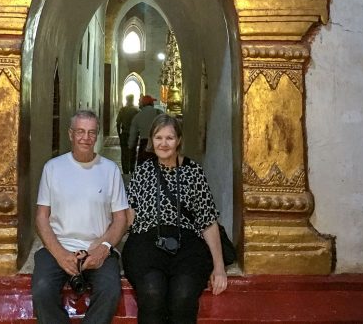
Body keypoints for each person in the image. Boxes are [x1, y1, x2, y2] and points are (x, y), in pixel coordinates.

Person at [122, 114, 228, 323]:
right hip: (146, 245)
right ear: (151, 141)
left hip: (186, 246)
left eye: (169, 138)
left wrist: (219, 267)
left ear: (178, 140)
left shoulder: (194, 172)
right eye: (158, 137)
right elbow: (128, 217)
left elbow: (208, 221)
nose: (163, 143)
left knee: (184, 295)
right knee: (152, 292)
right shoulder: (142, 172)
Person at [32, 109, 129, 324]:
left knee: (110, 291)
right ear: (70, 134)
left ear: (97, 135)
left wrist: (103, 248)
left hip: (97, 248)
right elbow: (41, 217)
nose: (86, 138)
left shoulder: (110, 170)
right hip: (58, 246)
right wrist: (59, 253)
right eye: (80, 132)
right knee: (42, 289)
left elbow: (120, 219)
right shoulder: (53, 168)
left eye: (92, 132)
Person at [128, 95, 162, 169]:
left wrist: (131, 146)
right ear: (151, 104)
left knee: (143, 169)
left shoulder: (137, 116)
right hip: (158, 144)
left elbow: (133, 136)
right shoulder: (159, 113)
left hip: (144, 145)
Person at [116, 94, 139, 173]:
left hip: (124, 134)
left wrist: (119, 134)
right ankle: (132, 170)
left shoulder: (123, 110)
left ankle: (125, 171)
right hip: (133, 135)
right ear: (132, 100)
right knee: (133, 153)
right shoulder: (136, 111)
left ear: (126, 100)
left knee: (124, 153)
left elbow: (118, 123)